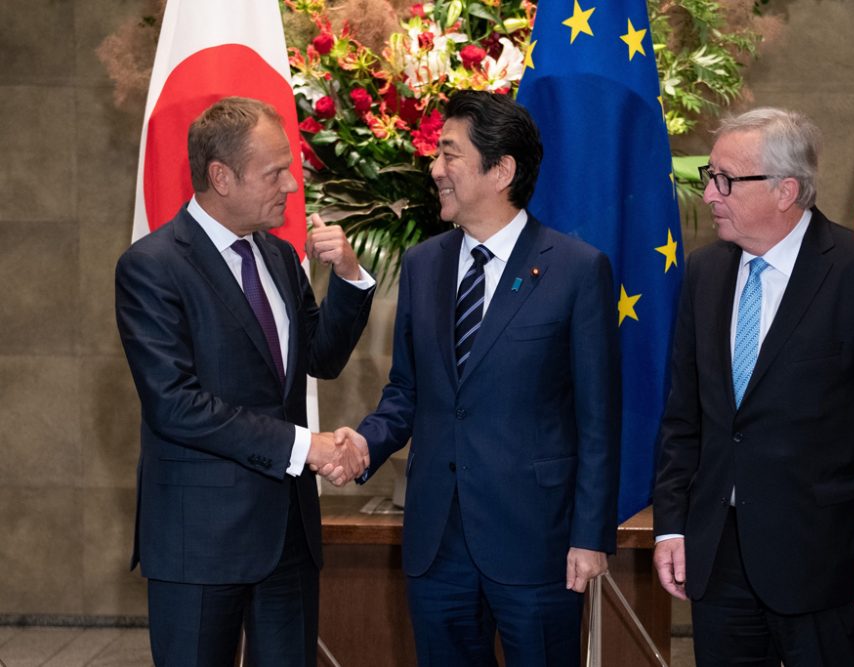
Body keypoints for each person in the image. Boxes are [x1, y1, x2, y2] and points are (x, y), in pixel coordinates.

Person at [324, 90, 621, 666]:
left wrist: (590, 536)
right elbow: (408, 390)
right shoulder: (423, 264)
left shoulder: (577, 269)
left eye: (449, 154)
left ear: (502, 169)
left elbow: (598, 418)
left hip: (538, 542)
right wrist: (364, 444)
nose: (435, 169)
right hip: (437, 542)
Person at [652, 107, 854, 666]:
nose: (709, 195)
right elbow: (685, 418)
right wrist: (671, 529)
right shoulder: (705, 273)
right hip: (718, 558)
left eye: (724, 179)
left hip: (828, 565)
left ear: (785, 190)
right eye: (710, 176)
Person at [115, 96, 375, 666]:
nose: (290, 184)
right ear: (220, 177)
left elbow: (321, 358)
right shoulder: (152, 267)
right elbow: (176, 405)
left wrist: (351, 280)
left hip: (287, 538)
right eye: (275, 171)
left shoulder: (280, 257)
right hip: (199, 542)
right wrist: (307, 447)